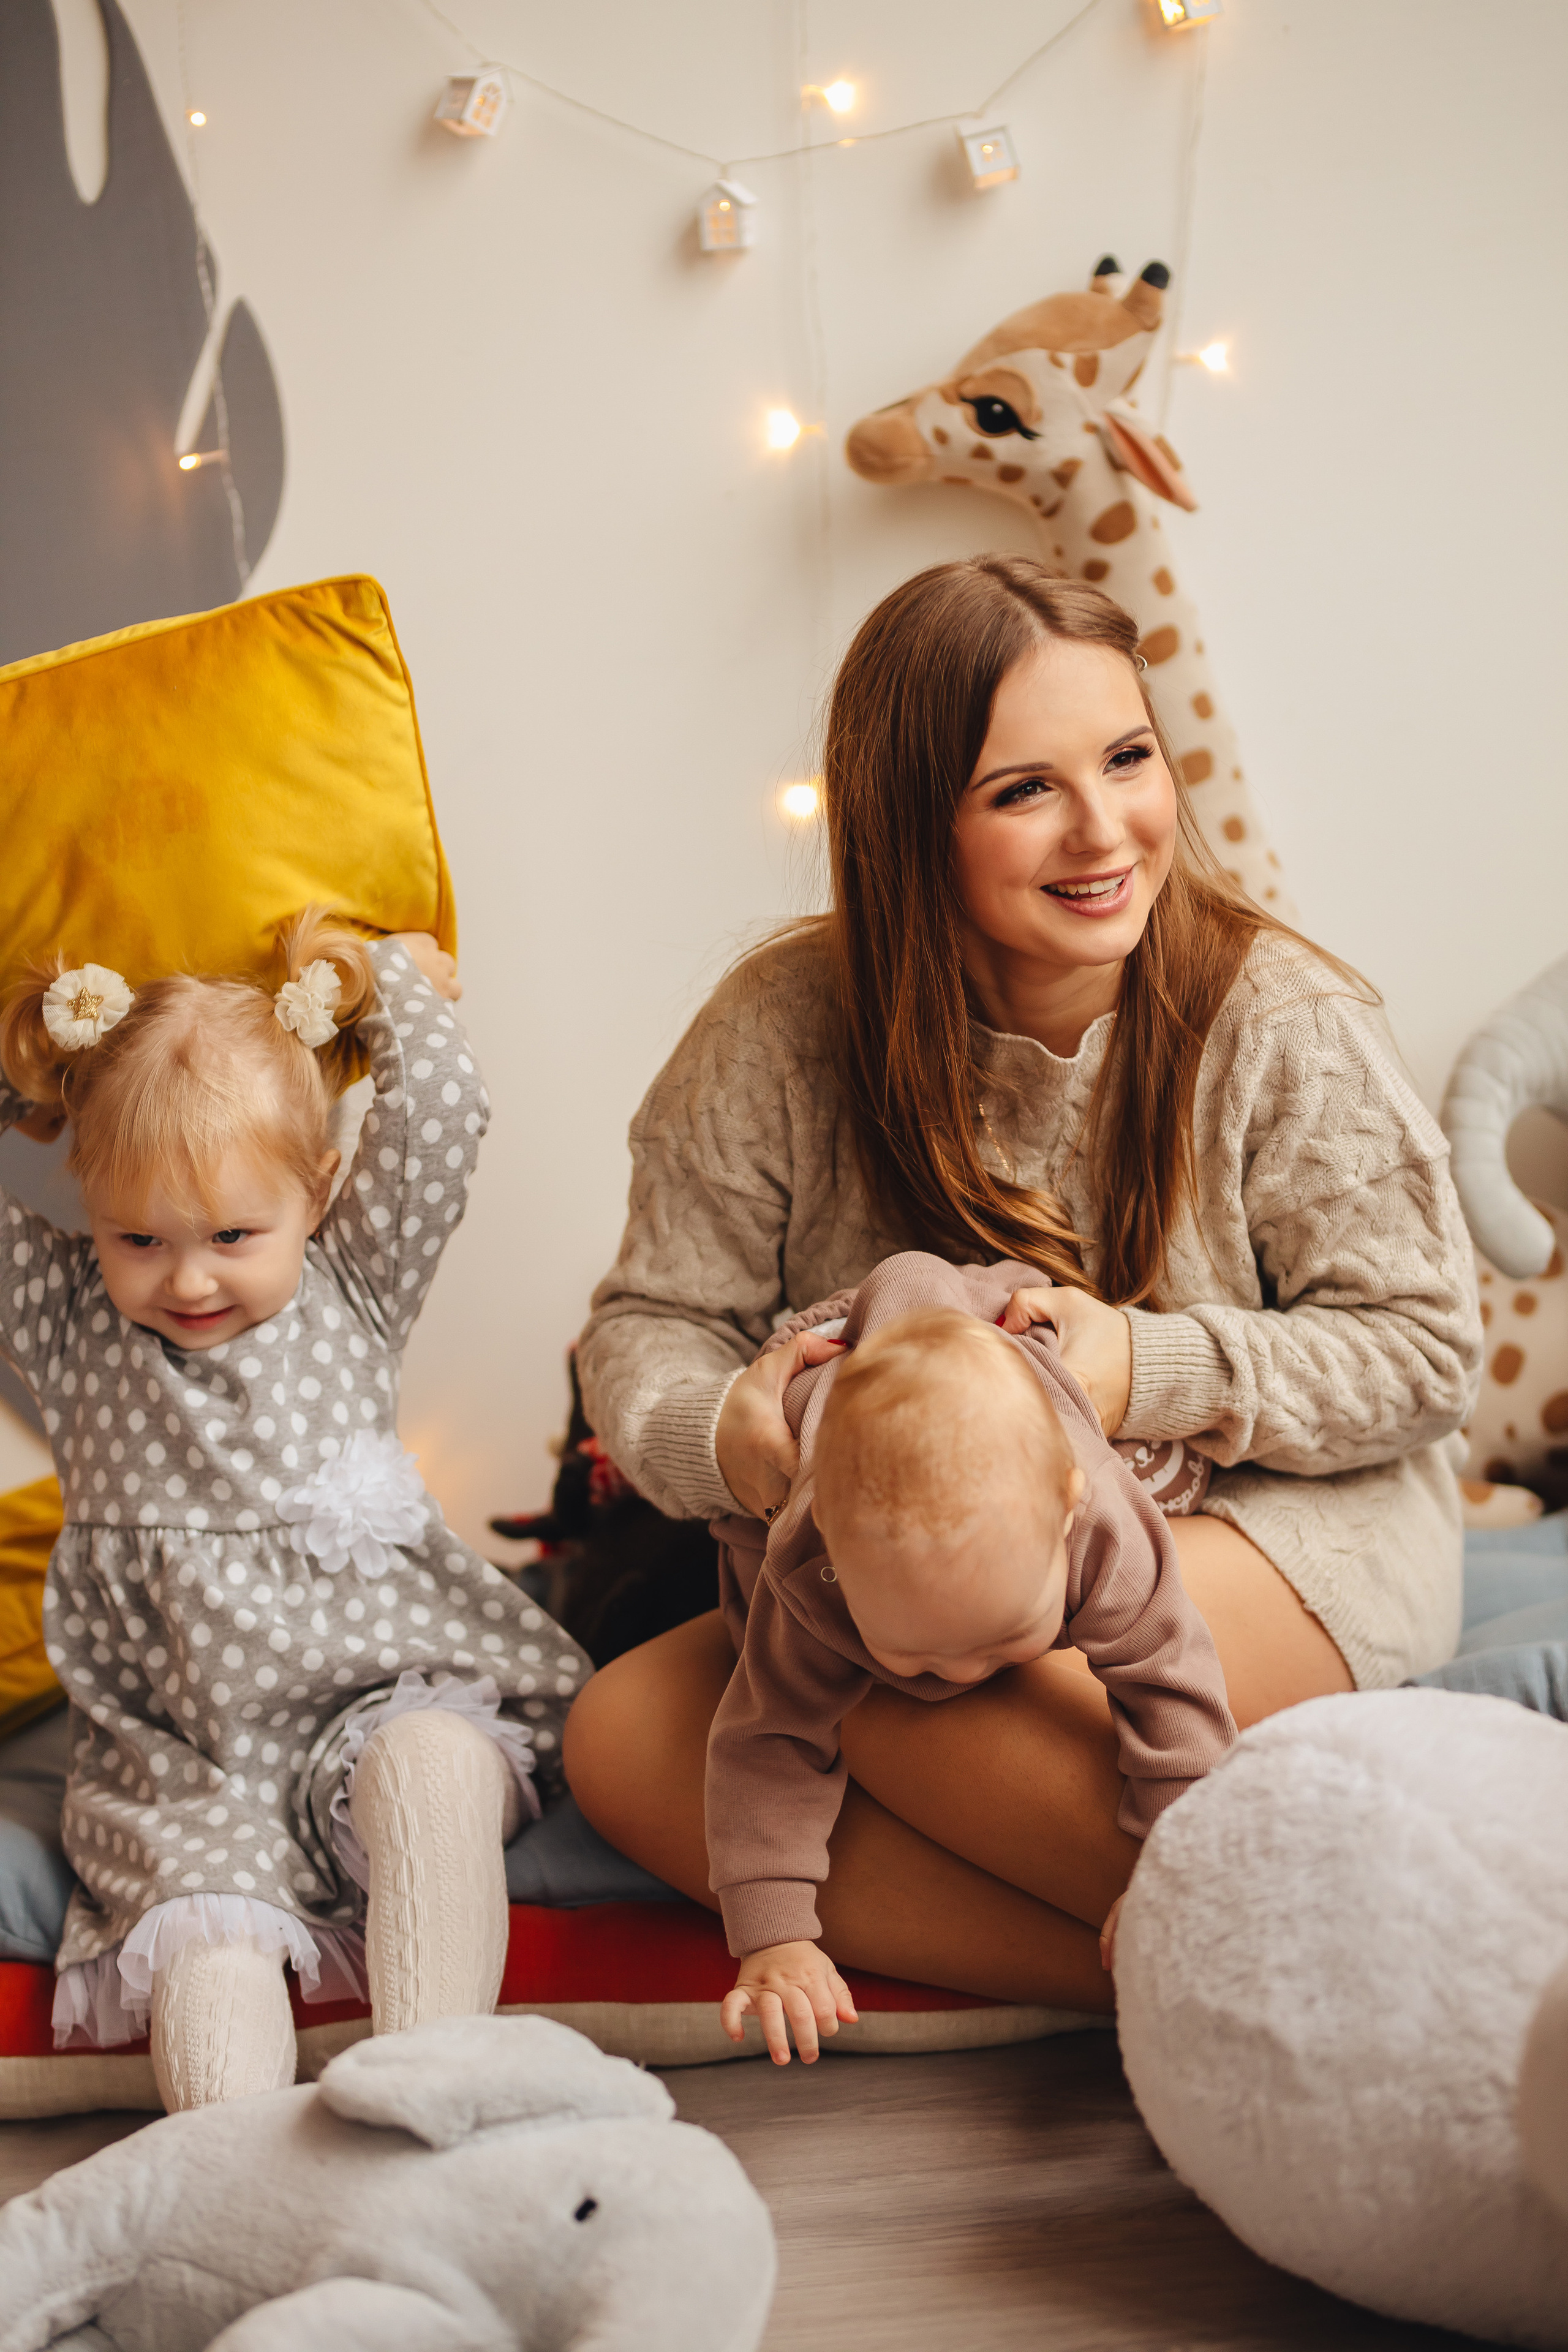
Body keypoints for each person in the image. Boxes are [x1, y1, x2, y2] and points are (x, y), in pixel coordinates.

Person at [565, 557, 1482, 2022]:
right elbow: (649, 1324)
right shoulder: (775, 1032)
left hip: (1269, 1516)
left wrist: (1142, 1369)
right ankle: (1146, 1969)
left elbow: (1426, 1354)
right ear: (907, 825)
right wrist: (722, 1438)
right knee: (621, 1732)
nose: (1103, 827)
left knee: (902, 1667)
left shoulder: (1277, 1021)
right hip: (909, 1541)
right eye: (1021, 791)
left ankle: (1315, 1971)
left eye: (1125, 759)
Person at [0, 916, 589, 2109]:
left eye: (231, 1235)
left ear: (315, 1194)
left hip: (380, 1693)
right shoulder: (66, 1319)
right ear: (89, 1214)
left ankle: (429, 2095)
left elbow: (437, 1124)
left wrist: (391, 988)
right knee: (204, 1949)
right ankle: (238, 2182)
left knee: (427, 1772)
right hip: (188, 1761)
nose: (190, 1277)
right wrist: (18, 1067)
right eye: (139, 1239)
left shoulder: (354, 1278)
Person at [708, 1256, 1236, 2064]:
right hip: (821, 1377)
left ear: (1067, 1509)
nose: (955, 1679)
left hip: (1006, 1331)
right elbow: (768, 1735)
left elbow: (1172, 1681)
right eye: (912, 1652)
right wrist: (773, 1936)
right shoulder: (808, 1567)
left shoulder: (1100, 1520)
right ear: (839, 1568)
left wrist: (1178, 1852)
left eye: (1001, 1639)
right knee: (730, 1630)